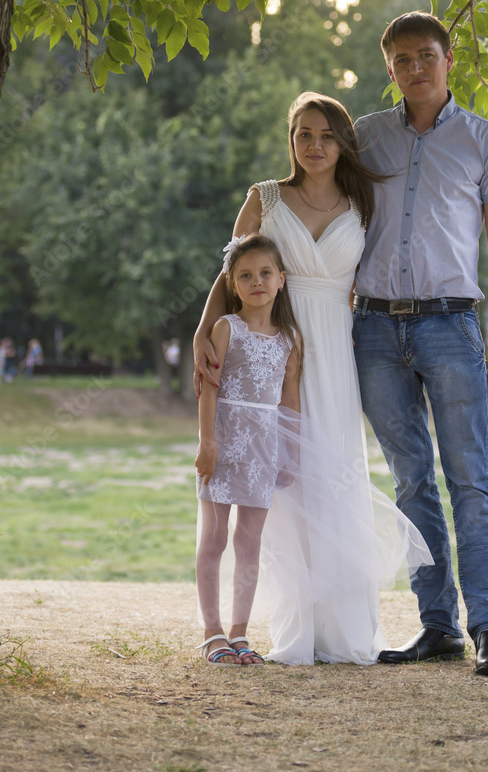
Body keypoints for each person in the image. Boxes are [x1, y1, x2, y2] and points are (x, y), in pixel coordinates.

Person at [194, 91, 432, 665]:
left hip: (335, 350)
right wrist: (205, 329)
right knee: (285, 487)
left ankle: (346, 626)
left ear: (342, 141)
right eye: (304, 134)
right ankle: (292, 628)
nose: (315, 145)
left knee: (333, 470)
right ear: (291, 140)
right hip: (277, 342)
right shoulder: (265, 197)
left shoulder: (363, 201)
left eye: (326, 135)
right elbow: (232, 272)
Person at [352, 11, 488, 675]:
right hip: (371, 329)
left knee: (469, 482)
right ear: (388, 68)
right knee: (410, 483)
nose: (415, 68)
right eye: (401, 59)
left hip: (451, 327)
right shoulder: (364, 139)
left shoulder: (485, 140)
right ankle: (436, 626)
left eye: (426, 55)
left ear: (448, 60)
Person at [195, 234, 302, 665]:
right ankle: (212, 632)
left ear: (281, 280)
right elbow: (208, 389)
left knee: (249, 542)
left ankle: (240, 632)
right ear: (232, 284)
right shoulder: (226, 329)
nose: (256, 281)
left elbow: (289, 400)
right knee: (214, 538)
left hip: (263, 449)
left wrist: (288, 454)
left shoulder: (290, 339)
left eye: (264, 273)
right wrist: (208, 443)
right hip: (223, 444)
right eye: (245, 275)